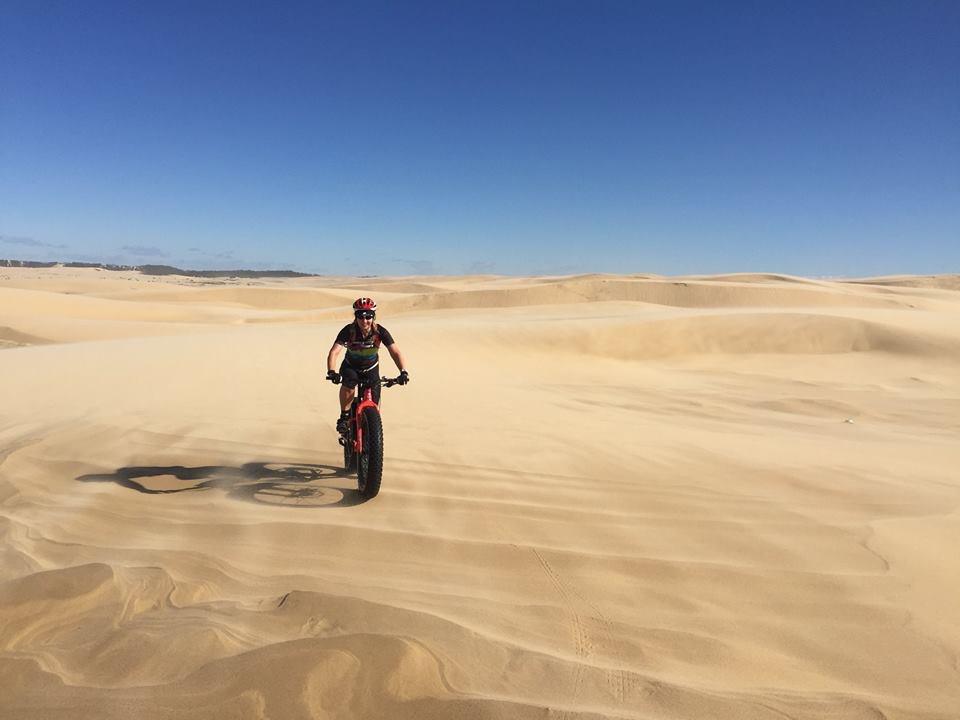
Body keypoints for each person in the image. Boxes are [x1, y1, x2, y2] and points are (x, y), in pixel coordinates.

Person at [326, 297, 409, 434]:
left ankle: (371, 435)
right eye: (360, 316)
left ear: (373, 316)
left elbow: (395, 352)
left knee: (374, 409)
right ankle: (344, 417)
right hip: (351, 367)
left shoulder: (380, 332)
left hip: (371, 368)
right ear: (355, 316)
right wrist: (332, 371)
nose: (364, 320)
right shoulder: (349, 330)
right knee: (349, 384)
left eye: (368, 316)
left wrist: (403, 371)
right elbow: (334, 352)